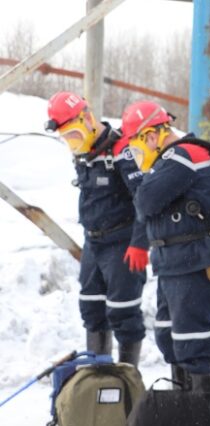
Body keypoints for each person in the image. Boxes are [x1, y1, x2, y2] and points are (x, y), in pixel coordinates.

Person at [122, 101, 210, 424]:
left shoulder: (184, 155)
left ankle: (201, 419)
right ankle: (183, 416)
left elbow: (146, 200)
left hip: (193, 264)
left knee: (195, 347)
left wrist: (143, 181)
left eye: (138, 147)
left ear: (152, 136)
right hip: (173, 264)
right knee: (171, 340)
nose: (138, 158)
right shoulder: (168, 162)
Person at [45, 91, 147, 366]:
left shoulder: (122, 151)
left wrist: (140, 242)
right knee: (91, 309)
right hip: (94, 243)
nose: (73, 143)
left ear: (87, 118)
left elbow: (144, 200)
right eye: (67, 139)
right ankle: (99, 380)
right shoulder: (83, 155)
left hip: (122, 243)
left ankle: (127, 380)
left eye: (75, 135)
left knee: (123, 313)